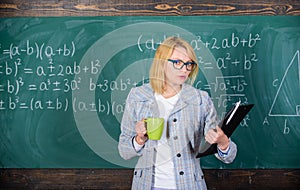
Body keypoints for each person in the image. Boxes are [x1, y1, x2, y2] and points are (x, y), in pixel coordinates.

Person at [118, 36, 237, 190]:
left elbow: (229, 156)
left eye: (189, 64)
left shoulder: (200, 99)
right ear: (162, 62)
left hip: (189, 185)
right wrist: (139, 139)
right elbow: (124, 151)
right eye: (177, 63)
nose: (184, 69)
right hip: (146, 185)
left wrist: (222, 142)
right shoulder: (138, 96)